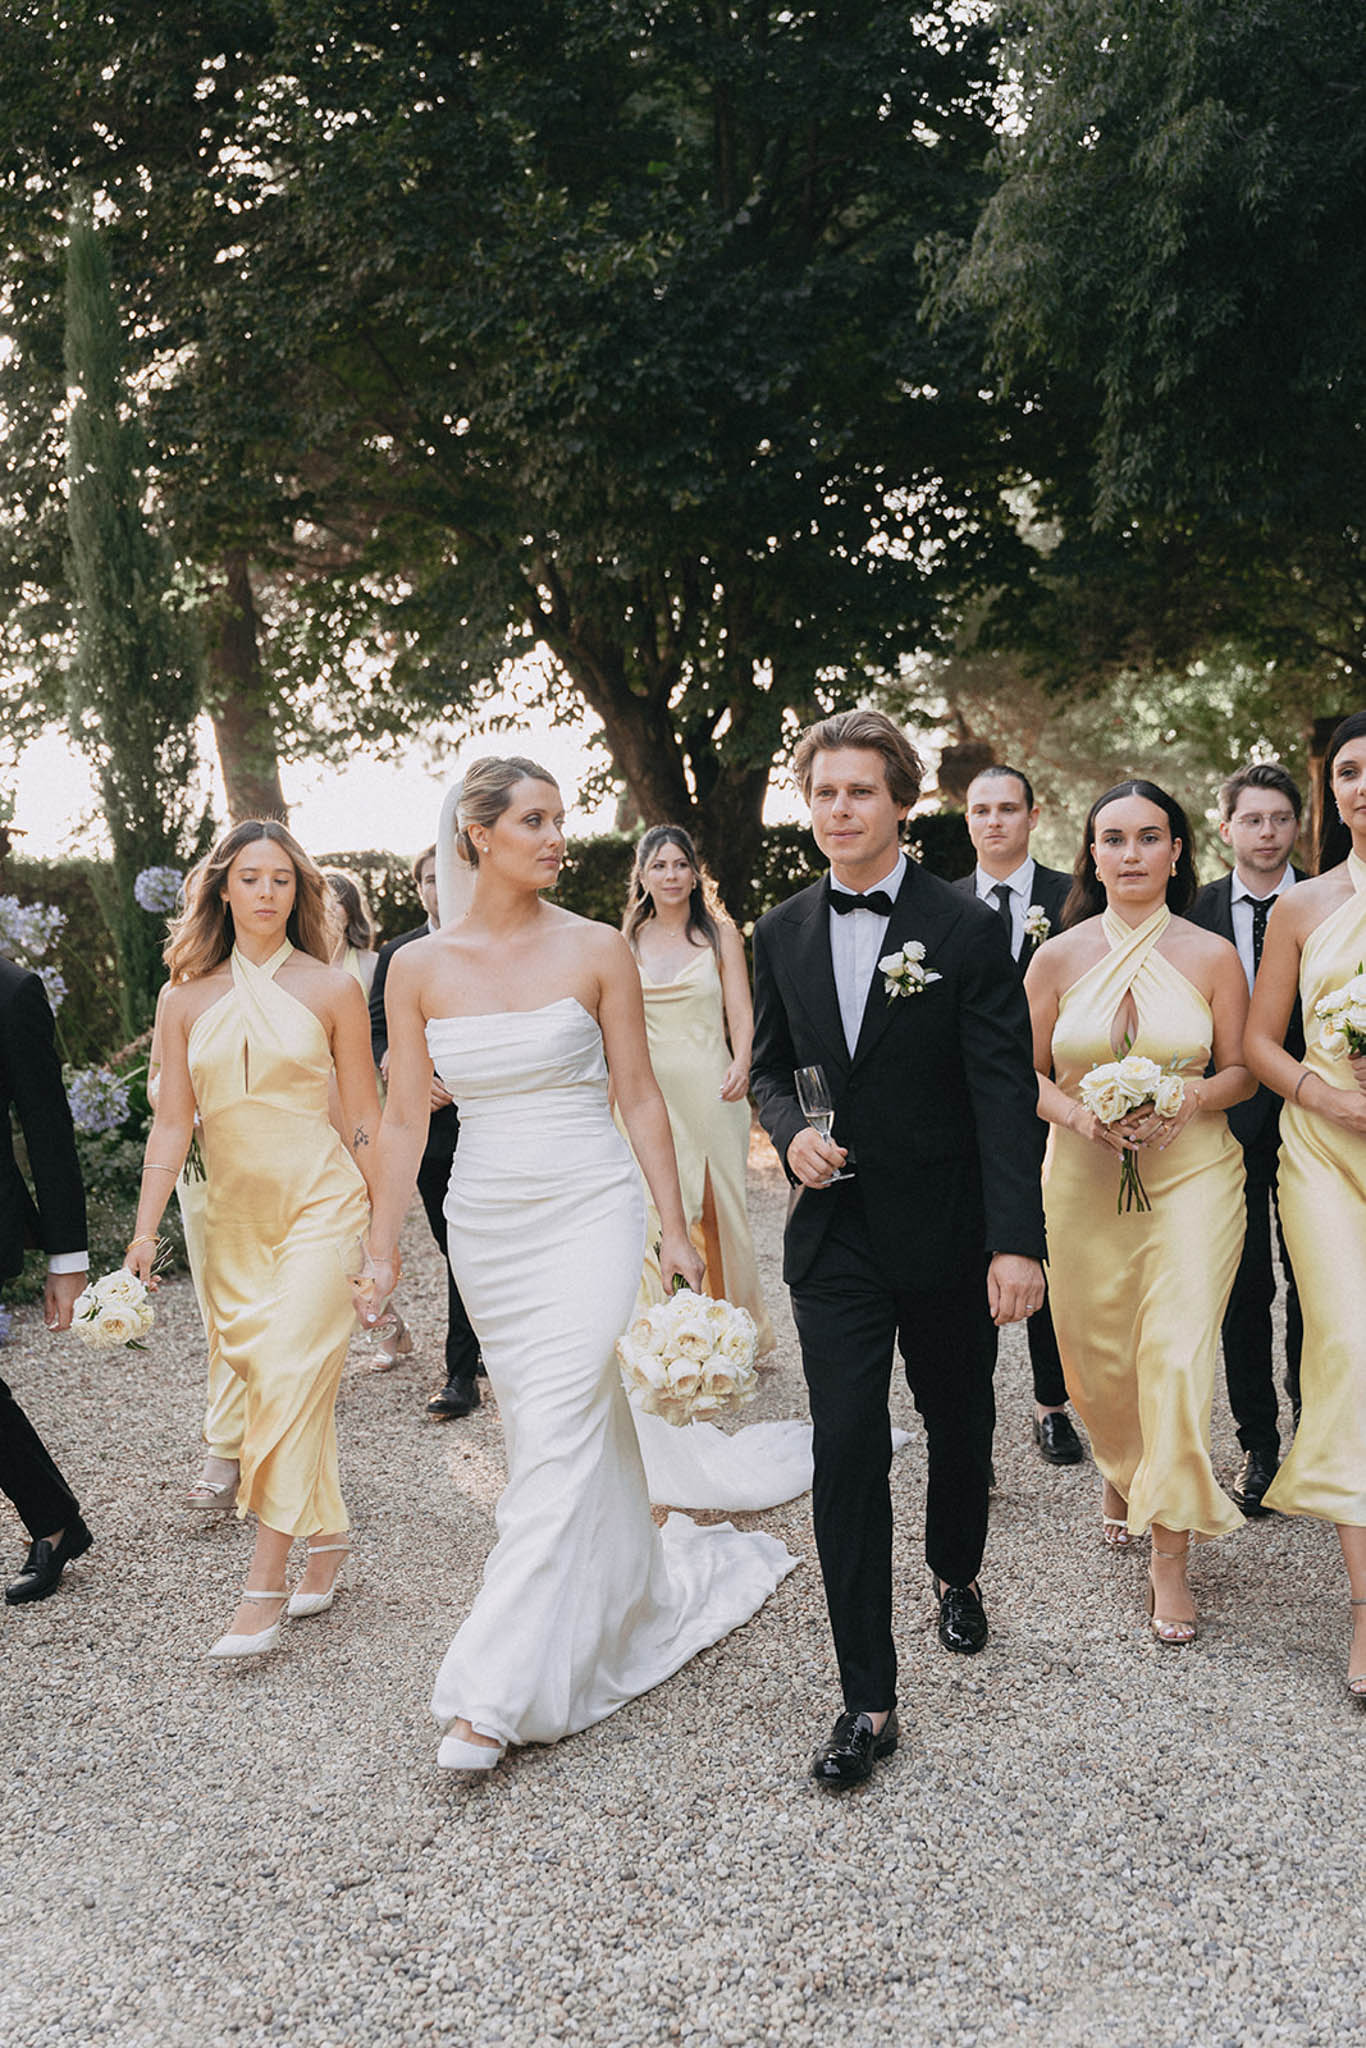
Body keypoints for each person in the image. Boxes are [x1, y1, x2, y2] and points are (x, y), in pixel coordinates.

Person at [364, 757, 797, 1772]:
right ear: (476, 836)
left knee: (557, 1426)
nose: (557, 834)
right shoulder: (419, 969)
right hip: (488, 1218)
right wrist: (381, 1245)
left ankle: (496, 1687)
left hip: (592, 1205)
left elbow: (640, 1095)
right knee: (557, 1428)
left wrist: (675, 1229)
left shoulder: (598, 946)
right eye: (532, 819)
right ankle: (624, 1589)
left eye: (559, 817)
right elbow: (397, 1118)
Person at [751, 709, 1045, 1788]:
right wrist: (790, 1138)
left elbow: (1003, 1090)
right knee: (844, 1447)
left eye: (859, 792)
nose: (839, 810)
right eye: (823, 792)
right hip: (835, 1238)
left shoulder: (964, 928)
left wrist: (1016, 1240)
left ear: (901, 802)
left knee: (959, 1418)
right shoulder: (777, 929)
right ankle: (866, 1699)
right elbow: (774, 1068)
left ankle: (956, 1569)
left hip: (949, 1231)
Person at [125, 821, 379, 1659]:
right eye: (251, 878)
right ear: (223, 889)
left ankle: (261, 1585)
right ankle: (330, 1533)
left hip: (323, 1207)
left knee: (283, 1373)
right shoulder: (183, 999)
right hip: (233, 1227)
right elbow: (171, 1126)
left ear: (298, 893)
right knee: (282, 1374)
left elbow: (366, 1122)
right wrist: (141, 1234)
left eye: (281, 880)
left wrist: (385, 1236)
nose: (267, 893)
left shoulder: (332, 990)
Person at [1025, 781, 1254, 1646]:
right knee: (1101, 1353)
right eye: (1112, 839)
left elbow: (1240, 1069)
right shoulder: (1057, 957)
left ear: (1176, 851)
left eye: (1148, 838)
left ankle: (1170, 1552)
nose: (1129, 854)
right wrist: (1084, 1115)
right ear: (1090, 853)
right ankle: (1122, 1462)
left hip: (1193, 1178)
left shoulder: (1211, 955)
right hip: (1082, 1184)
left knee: (1175, 1352)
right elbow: (1025, 1071)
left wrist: (1186, 1100)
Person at [1244, 711, 1366, 1696]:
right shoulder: (1303, 906)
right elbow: (1256, 1043)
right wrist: (1320, 1091)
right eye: (1349, 772)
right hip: (1322, 1149)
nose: (1363, 785)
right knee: (1352, 1348)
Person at [956, 763, 1085, 1466]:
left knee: (1050, 1246)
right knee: (973, 1249)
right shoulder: (939, 906)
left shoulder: (1074, 898)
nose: (995, 820)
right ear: (967, 819)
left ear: (1034, 817)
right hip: (967, 1110)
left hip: (1057, 1101)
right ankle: (967, 1420)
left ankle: (1053, 1405)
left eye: (1008, 808)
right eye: (982, 809)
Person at [1188, 761, 1306, 1515]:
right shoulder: (1191, 911)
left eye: (1281, 820)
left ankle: (1319, 1431)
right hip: (1221, 1120)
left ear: (1298, 827)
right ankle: (1258, 1445)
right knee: (1241, 1288)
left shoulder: (1336, 901)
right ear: (1225, 828)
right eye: (1252, 820)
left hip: (1312, 1120)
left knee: (1317, 1284)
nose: (1268, 833)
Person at [621, 824, 773, 1353]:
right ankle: (667, 1335)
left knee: (718, 1208)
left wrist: (743, 1061)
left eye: (680, 864)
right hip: (646, 1093)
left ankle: (733, 1333)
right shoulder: (627, 940)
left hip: (711, 1088)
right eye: (659, 866)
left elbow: (741, 1010)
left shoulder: (718, 934)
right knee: (655, 1210)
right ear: (642, 875)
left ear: (694, 872)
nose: (670, 875)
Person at [368, 843, 483, 1407]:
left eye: (449, 876)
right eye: (429, 880)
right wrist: (398, 1065)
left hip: (486, 1120)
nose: (440, 887)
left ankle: (460, 1374)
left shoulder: (491, 947)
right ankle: (482, 1335)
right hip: (430, 1130)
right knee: (450, 1242)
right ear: (419, 889)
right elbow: (375, 1030)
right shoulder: (398, 953)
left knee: (467, 1243)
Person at [0, 953, 93, 1604]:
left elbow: (48, 1129)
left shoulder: (12, 991)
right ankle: (55, 1520)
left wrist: (67, 1258)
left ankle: (54, 1522)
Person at [324, 869, 381, 997]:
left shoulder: (372, 965)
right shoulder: (296, 964)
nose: (330, 908)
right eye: (324, 899)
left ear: (351, 912)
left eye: (339, 901)